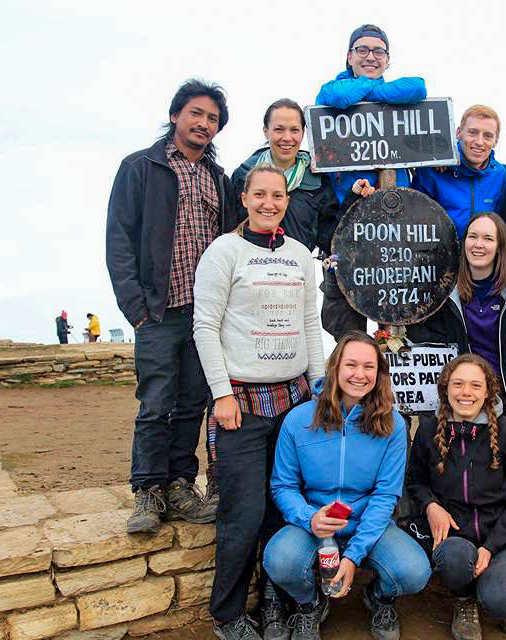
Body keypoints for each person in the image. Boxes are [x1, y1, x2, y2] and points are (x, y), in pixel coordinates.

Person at [193, 164, 325, 640]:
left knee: (284, 510)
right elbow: (204, 326)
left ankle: (275, 603)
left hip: (292, 400)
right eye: (260, 195)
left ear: (287, 200)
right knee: (243, 514)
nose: (270, 203)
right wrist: (222, 394)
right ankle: (227, 616)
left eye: (278, 195)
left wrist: (320, 384)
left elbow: (310, 324)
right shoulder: (223, 252)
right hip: (241, 405)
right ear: (245, 198)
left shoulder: (297, 256)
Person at [106, 79, 239, 534]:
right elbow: (119, 240)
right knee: (155, 403)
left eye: (213, 119)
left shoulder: (219, 180)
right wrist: (136, 310)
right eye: (196, 114)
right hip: (159, 313)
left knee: (192, 403)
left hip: (206, 316)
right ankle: (147, 492)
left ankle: (181, 486)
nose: (204, 124)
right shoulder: (141, 167)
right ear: (176, 115)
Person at [406, 212, 506, 596]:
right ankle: (462, 555)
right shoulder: (449, 291)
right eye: (472, 237)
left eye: (488, 238)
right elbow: (425, 334)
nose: (478, 245)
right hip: (464, 395)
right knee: (462, 482)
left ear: (500, 246)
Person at [263, 331, 430, 640]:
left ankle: (379, 598)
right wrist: (309, 518)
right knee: (280, 560)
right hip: (313, 522)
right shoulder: (298, 420)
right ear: (335, 367)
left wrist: (353, 556)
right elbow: (283, 486)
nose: (359, 374)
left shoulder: (393, 424)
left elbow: (384, 497)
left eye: (369, 367)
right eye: (351, 364)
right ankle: (310, 603)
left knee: (414, 571)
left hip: (368, 523)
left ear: (379, 373)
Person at [407, 353, 506, 640]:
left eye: (476, 386)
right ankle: (464, 600)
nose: (466, 392)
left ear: (488, 392)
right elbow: (415, 482)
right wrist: (430, 506)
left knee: (499, 601)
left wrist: (491, 546)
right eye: (458, 384)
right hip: (455, 536)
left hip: (502, 539)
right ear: (446, 389)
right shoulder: (429, 430)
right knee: (453, 559)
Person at [317, 24, 427, 340]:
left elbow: (418, 87)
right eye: (362, 50)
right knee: (347, 328)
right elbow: (336, 96)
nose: (370, 56)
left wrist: (371, 89)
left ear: (388, 59)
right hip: (347, 233)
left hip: (397, 232)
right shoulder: (334, 90)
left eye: (378, 51)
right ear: (349, 56)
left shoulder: (392, 92)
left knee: (399, 328)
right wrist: (371, 86)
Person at [230, 99, 340, 256]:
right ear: (266, 131)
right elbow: (229, 228)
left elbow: (330, 237)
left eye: (294, 130)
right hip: (249, 270)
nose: (287, 138)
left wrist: (354, 196)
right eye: (279, 129)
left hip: (296, 271)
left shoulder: (318, 180)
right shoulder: (243, 176)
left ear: (304, 132)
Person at [411, 104, 506, 239]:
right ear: (458, 133)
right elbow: (415, 219)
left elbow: (497, 219)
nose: (479, 141)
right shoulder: (433, 168)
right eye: (472, 132)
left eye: (487, 136)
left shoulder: (498, 174)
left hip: (479, 255)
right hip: (441, 254)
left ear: (495, 141)